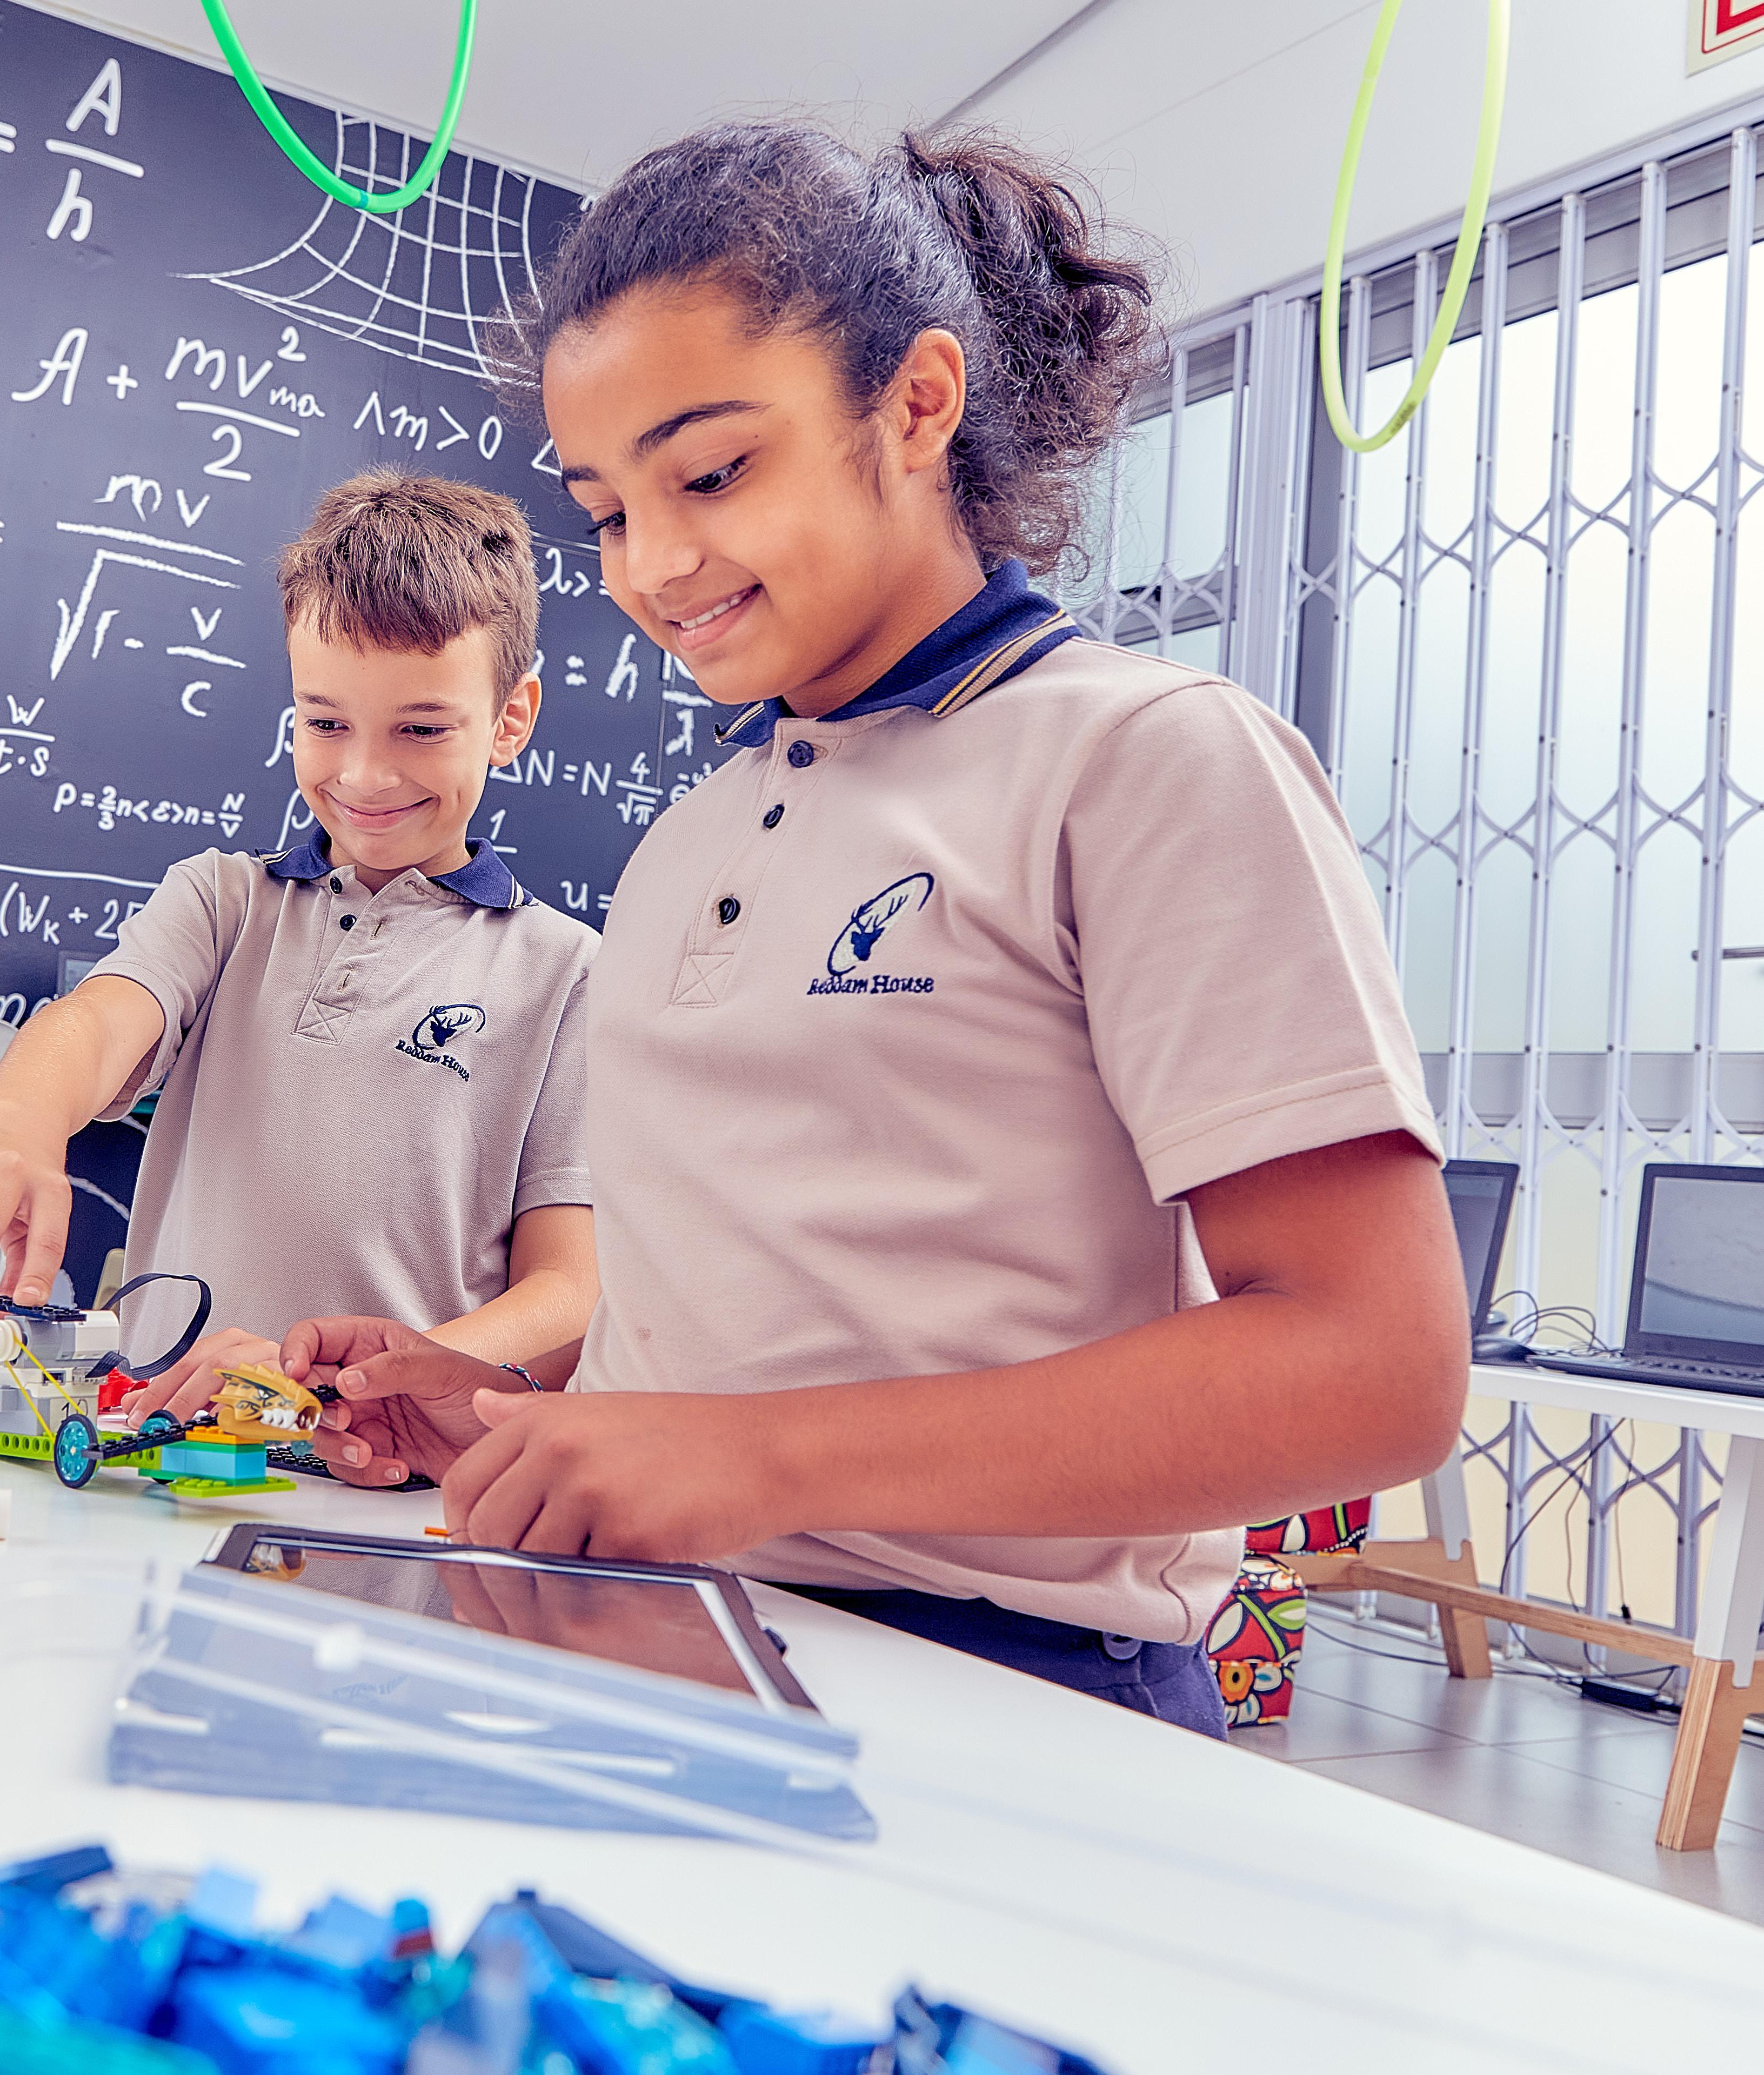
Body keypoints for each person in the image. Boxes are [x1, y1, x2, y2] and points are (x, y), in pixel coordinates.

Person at [275, 125, 1467, 1736]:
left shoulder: (1145, 756)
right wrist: (518, 1417)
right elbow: (791, 1320)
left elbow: (1372, 1368)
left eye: (710, 474)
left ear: (915, 403)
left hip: (1007, 1690)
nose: (655, 565)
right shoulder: (695, 825)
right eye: (608, 510)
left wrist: (750, 1461)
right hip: (658, 1632)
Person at [0, 472, 602, 1404]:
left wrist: (344, 1380)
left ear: (510, 720)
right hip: (154, 1440)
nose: (365, 772)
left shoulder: (567, 974)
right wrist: (18, 1120)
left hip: (383, 1472)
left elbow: (570, 1292)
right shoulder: (224, 903)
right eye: (326, 722)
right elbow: (99, 1025)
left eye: (422, 728)